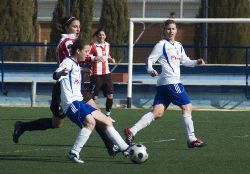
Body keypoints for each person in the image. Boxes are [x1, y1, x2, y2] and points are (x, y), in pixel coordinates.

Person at [12, 16, 117, 156]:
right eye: (74, 26)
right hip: (64, 87)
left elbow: (77, 59)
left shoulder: (71, 41)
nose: (78, 29)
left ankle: (111, 146)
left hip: (76, 86)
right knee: (57, 123)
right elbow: (73, 58)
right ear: (67, 28)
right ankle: (23, 126)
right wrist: (92, 59)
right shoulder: (67, 41)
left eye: (79, 26)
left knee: (93, 112)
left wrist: (86, 64)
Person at [124, 19, 207, 148]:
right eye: (168, 29)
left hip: (164, 84)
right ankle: (191, 139)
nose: (171, 31)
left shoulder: (178, 45)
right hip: (171, 82)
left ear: (176, 30)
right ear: (164, 30)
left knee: (157, 112)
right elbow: (149, 60)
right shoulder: (161, 44)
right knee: (187, 107)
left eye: (173, 29)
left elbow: (185, 61)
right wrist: (150, 70)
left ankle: (132, 131)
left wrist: (196, 62)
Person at [55, 38, 130, 163]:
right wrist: (60, 73)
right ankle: (74, 152)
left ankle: (126, 148)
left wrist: (82, 70)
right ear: (78, 51)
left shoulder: (76, 64)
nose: (87, 54)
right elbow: (55, 73)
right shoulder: (67, 62)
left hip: (79, 101)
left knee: (106, 121)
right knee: (90, 123)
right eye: (86, 51)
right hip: (71, 103)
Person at [85, 29, 115, 122]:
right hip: (96, 74)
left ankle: (108, 115)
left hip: (107, 73)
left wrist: (110, 59)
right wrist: (94, 58)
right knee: (94, 97)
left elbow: (107, 55)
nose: (101, 36)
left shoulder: (107, 45)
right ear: (97, 36)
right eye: (100, 35)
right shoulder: (93, 46)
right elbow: (87, 57)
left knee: (110, 95)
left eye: (103, 35)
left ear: (105, 36)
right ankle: (89, 114)